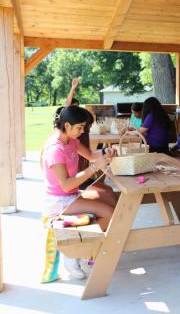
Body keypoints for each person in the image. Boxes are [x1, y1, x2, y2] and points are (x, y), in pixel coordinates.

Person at [42, 106, 117, 279]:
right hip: (59, 201)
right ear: (67, 125)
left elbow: (91, 155)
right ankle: (76, 253)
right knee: (109, 213)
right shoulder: (55, 149)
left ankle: (85, 250)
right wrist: (94, 168)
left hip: (70, 196)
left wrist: (106, 151)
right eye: (79, 127)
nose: (82, 131)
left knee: (108, 194)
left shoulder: (71, 141)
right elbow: (67, 185)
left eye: (84, 127)